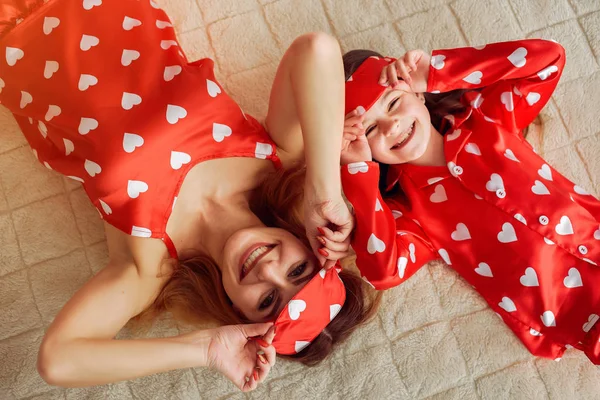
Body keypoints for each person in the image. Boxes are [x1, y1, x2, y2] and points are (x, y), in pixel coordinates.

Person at [0, 0, 378, 391]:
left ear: (237, 312)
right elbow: (315, 49)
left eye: (267, 301)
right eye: (297, 271)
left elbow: (57, 360)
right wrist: (323, 188)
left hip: (11, 38)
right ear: (309, 246)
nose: (267, 270)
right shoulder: (276, 159)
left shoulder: (149, 267)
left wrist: (205, 349)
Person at [326, 38, 600, 364]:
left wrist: (437, 72)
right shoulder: (408, 213)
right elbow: (381, 271)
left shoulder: (487, 118)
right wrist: (356, 170)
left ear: (415, 93)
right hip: (576, 315)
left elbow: (549, 59)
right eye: (369, 130)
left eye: (393, 103)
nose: (392, 125)